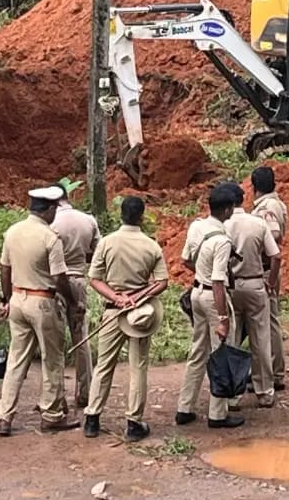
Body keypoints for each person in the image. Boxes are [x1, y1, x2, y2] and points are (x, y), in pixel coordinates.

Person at [0, 184, 82, 436]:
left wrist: (6, 298)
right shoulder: (50, 238)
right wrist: (72, 301)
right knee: (52, 359)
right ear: (49, 210)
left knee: (16, 359)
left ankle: (4, 415)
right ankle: (51, 413)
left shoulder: (13, 232)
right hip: (42, 301)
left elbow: (4, 269)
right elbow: (59, 278)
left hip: (18, 299)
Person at [83, 196, 168, 442]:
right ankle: (133, 423)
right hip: (140, 314)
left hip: (112, 312)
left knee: (104, 365)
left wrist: (117, 298)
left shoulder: (107, 242)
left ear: (120, 215)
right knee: (138, 367)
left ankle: (92, 419)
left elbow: (94, 279)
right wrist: (138, 296)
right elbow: (162, 282)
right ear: (141, 217)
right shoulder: (151, 246)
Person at [175, 184, 242, 429]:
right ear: (227, 210)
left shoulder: (196, 226)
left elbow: (185, 260)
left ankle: (185, 407)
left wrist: (200, 274)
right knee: (221, 353)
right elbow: (218, 281)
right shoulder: (222, 241)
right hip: (213, 297)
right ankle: (217, 413)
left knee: (198, 351)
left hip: (196, 293)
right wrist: (223, 318)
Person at [224, 182, 281, 408]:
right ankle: (264, 391)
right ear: (242, 199)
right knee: (261, 339)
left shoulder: (222, 225)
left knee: (232, 340)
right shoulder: (258, 223)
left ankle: (233, 395)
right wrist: (271, 281)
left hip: (230, 287)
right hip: (255, 284)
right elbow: (276, 256)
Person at [51, 183, 100, 409]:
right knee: (81, 336)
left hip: (55, 282)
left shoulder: (49, 222)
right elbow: (96, 253)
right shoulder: (88, 220)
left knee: (55, 339)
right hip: (79, 280)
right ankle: (85, 392)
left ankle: (55, 395)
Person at [250, 166, 289, 391]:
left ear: (254, 187)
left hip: (266, 269)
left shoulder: (267, 207)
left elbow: (272, 234)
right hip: (267, 268)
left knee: (269, 321)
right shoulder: (274, 203)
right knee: (269, 320)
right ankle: (272, 370)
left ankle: (274, 372)